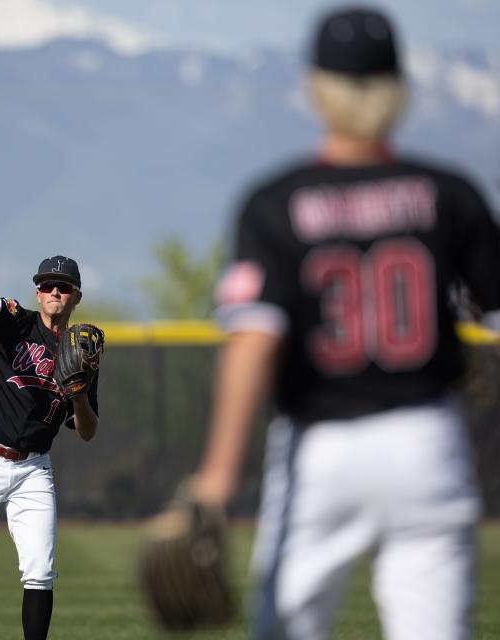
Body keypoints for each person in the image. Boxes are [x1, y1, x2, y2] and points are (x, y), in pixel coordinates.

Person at [189, 7, 500, 640]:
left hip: (321, 450)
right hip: (427, 440)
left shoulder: (276, 201)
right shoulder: (449, 193)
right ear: (400, 88)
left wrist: (216, 478)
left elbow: (254, 339)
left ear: (315, 89)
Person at [0, 255, 100, 640]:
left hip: (33, 470)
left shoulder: (83, 350)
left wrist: (78, 395)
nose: (54, 291)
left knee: (40, 569)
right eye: (46, 285)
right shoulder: (19, 323)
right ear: (37, 292)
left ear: (76, 296)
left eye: (63, 287)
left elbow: (87, 431)